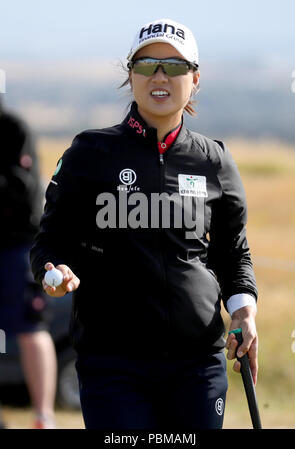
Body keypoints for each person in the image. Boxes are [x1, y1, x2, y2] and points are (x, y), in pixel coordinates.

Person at [30, 18, 258, 430]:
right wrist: (53, 271)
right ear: (130, 75)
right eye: (146, 64)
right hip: (112, 364)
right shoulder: (89, 153)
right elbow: (49, 242)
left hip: (197, 363)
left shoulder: (214, 160)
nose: (159, 76)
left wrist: (243, 310)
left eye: (173, 67)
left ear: (195, 79)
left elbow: (233, 251)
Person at [0, 96, 57, 429]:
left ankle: (44, 416)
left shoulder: (12, 129)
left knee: (30, 326)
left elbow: (26, 191)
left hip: (16, 246)